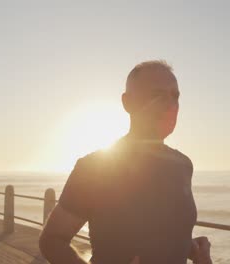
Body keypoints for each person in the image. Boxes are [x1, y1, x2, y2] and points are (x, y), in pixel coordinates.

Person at [39, 60, 212, 264]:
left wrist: (190, 248)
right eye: (157, 95)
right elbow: (52, 240)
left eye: (175, 96)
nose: (170, 104)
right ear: (127, 103)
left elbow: (158, 231)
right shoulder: (96, 167)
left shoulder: (182, 165)